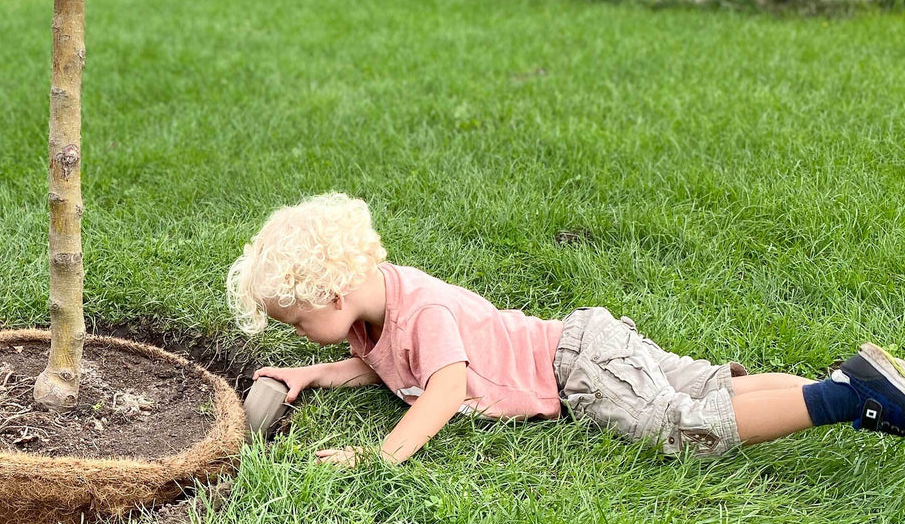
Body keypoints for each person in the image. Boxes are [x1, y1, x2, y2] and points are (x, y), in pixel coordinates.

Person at [227, 193, 904, 466]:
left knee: (679, 427)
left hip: (577, 368)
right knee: (704, 387)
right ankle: (855, 379)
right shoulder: (381, 306)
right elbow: (387, 366)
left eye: (297, 321)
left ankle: (846, 400)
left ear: (333, 292)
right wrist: (312, 373)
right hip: (587, 343)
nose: (298, 331)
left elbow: (440, 391)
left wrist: (378, 455)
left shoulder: (422, 311)